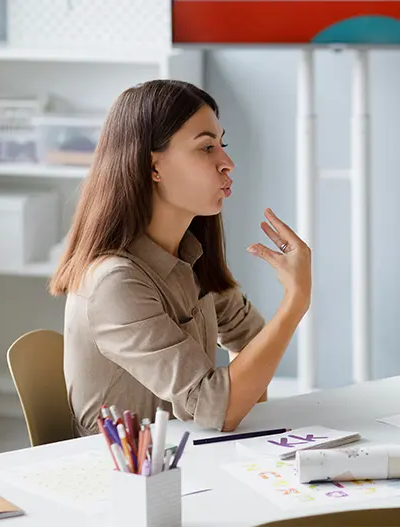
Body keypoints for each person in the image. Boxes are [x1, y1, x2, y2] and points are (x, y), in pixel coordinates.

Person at [50, 80, 312, 436]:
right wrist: (295, 300)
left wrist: (245, 414)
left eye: (222, 145)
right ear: (153, 167)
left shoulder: (189, 255)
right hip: (128, 467)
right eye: (206, 147)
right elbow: (217, 408)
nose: (227, 163)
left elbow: (249, 337)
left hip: (192, 454)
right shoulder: (115, 283)